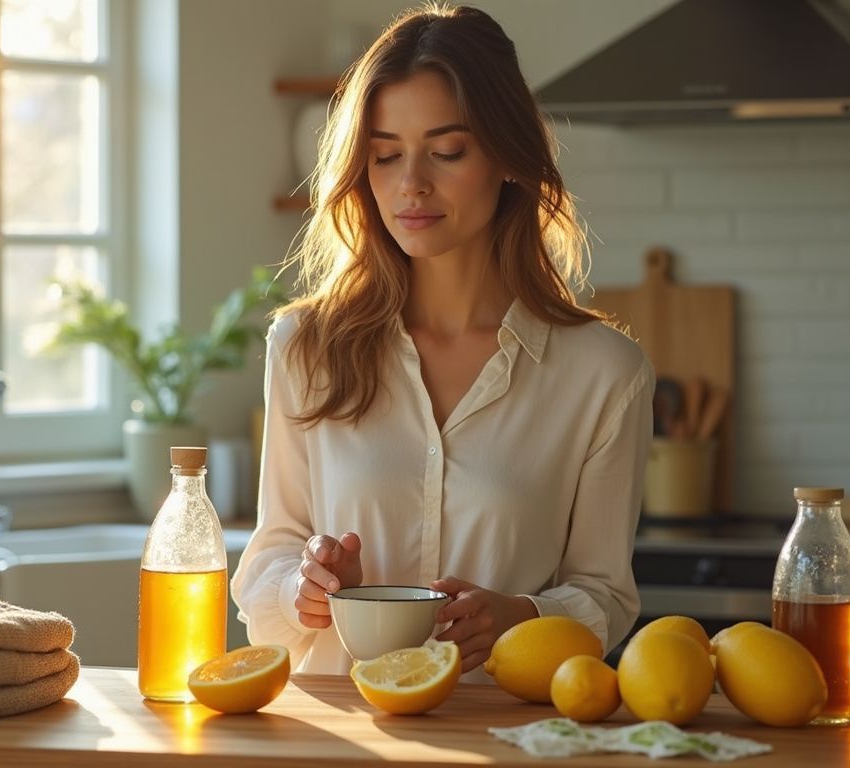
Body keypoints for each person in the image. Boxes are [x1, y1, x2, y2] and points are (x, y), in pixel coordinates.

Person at [231, 3, 652, 683]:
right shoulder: (306, 346)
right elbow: (268, 565)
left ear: (508, 159)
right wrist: (303, 589)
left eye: (447, 151)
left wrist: (517, 615)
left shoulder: (604, 373)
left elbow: (605, 596)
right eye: (386, 154)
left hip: (505, 737)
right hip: (338, 737)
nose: (411, 184)